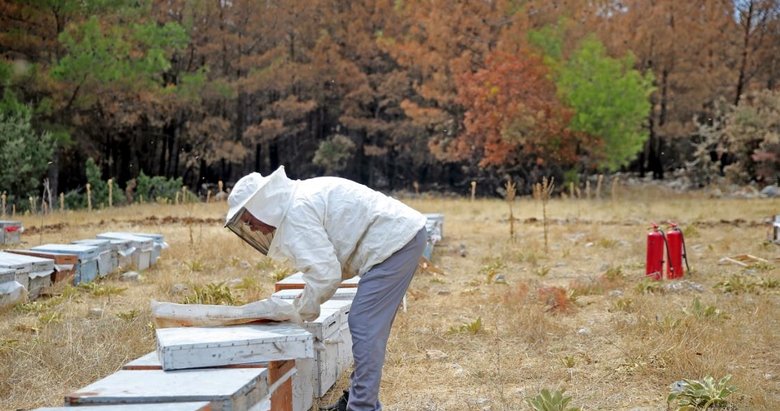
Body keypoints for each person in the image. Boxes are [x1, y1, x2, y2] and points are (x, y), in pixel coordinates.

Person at [225, 166, 427, 411]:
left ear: (262, 206)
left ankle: (361, 407)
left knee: (364, 323)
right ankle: (357, 399)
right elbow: (326, 266)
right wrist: (302, 303)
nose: (253, 229)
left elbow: (326, 276)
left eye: (249, 221)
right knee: (369, 327)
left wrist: (298, 311)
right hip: (398, 238)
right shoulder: (298, 201)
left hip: (396, 243)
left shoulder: (296, 213)